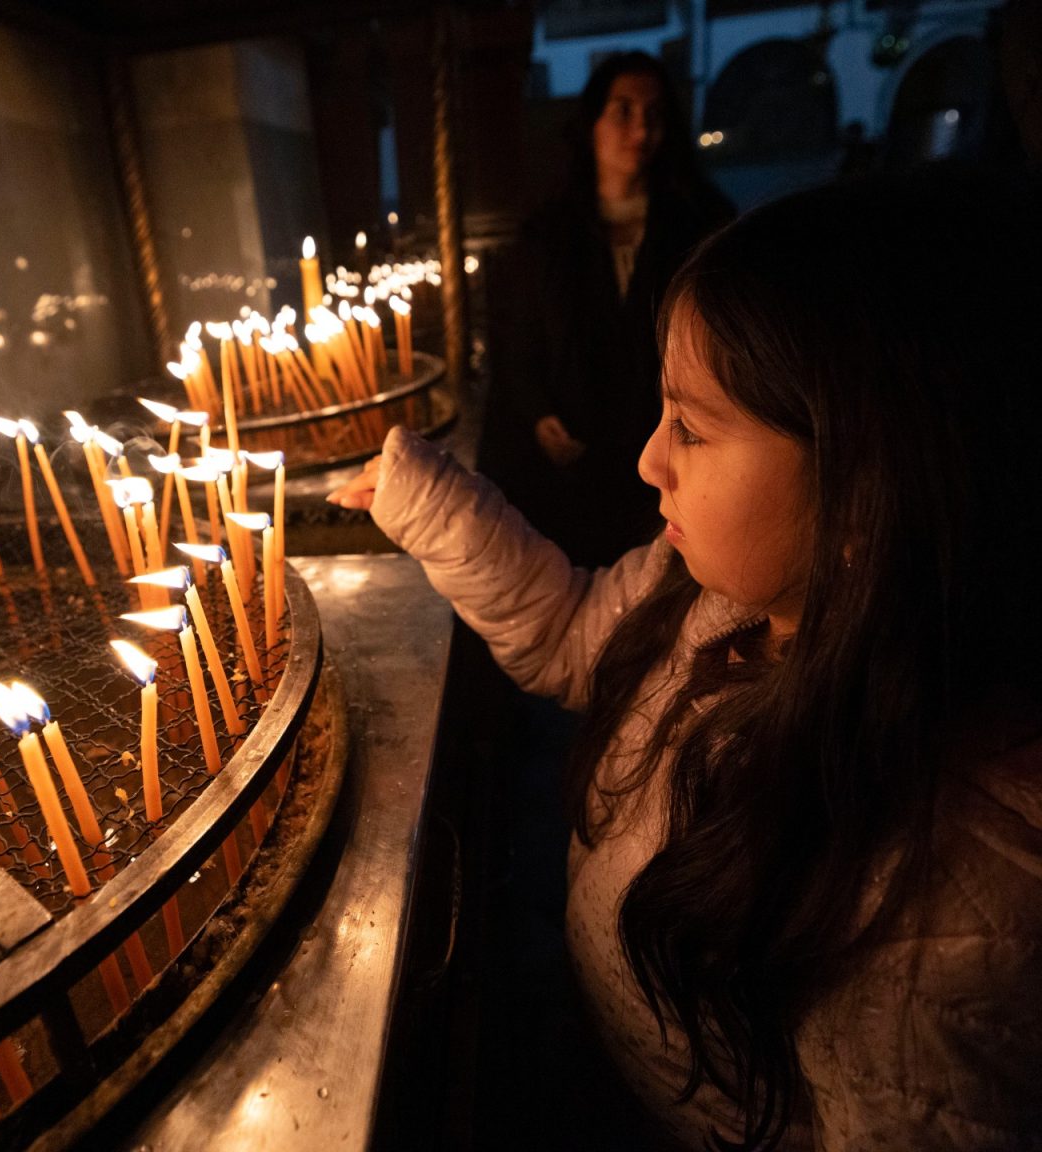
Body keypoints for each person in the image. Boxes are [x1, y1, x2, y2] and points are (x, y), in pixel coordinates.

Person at [330, 168, 1042, 1149]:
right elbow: (577, 634)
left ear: (867, 485)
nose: (647, 460)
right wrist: (421, 503)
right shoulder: (711, 593)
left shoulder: (932, 907)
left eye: (692, 428)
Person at [480, 52, 732, 567]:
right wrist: (539, 412)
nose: (641, 127)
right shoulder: (549, 233)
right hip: (572, 462)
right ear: (592, 123)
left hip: (663, 454)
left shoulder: (697, 224)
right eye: (623, 110)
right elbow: (518, 335)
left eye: (654, 113)